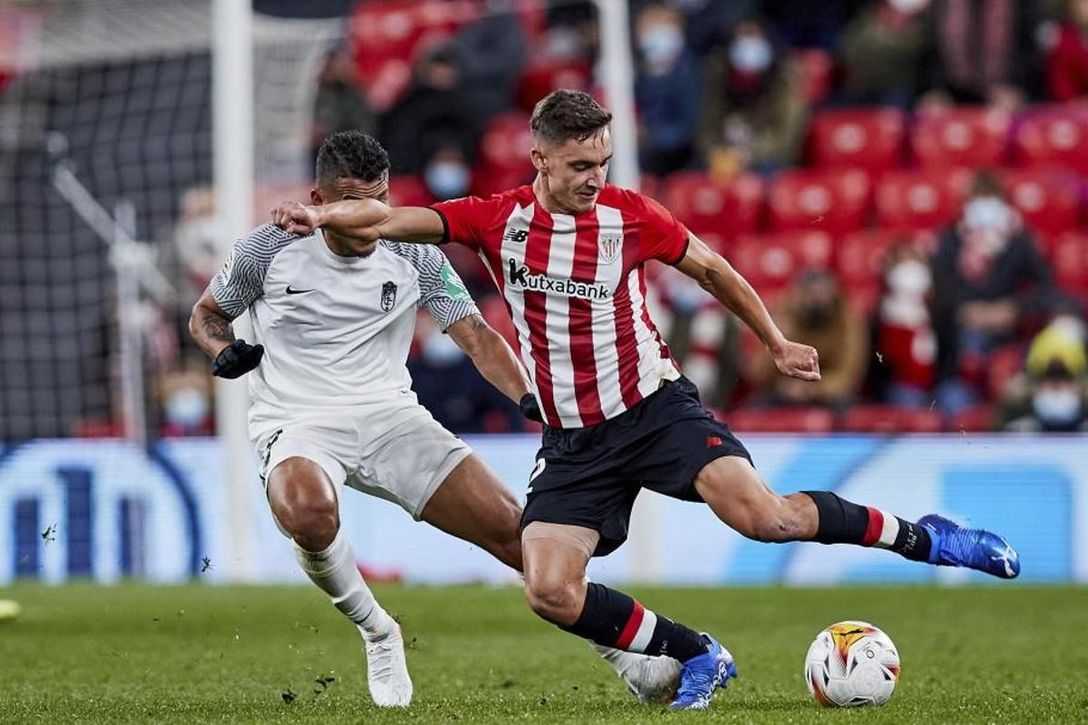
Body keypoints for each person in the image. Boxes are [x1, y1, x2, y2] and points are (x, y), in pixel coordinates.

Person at [270, 91, 1022, 711]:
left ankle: (925, 537)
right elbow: (389, 218)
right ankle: (695, 650)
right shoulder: (497, 219)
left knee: (765, 517)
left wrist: (774, 339)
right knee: (549, 590)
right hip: (573, 441)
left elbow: (713, 268)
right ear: (539, 159)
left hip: (655, 409)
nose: (593, 177)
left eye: (601, 162)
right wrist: (322, 218)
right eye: (577, 165)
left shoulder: (631, 216)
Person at [190, 131, 677, 708]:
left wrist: (530, 400)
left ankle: (626, 658)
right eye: (349, 201)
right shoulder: (266, 249)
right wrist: (223, 349)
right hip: (298, 419)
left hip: (391, 416)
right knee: (309, 512)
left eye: (376, 200)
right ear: (319, 200)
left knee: (515, 535)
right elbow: (207, 314)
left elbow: (474, 332)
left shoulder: (414, 252)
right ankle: (377, 630)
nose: (366, 216)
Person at [930, 171, 1056, 412]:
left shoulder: (1019, 240)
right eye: (979, 198)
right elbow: (939, 287)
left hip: (1008, 333)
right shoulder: (950, 240)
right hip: (959, 338)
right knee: (958, 384)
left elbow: (1044, 287)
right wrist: (965, 311)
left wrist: (1013, 310)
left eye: (990, 198)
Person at [753, 268, 869, 409]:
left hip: (829, 394)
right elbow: (758, 373)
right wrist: (778, 340)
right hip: (785, 390)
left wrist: (811, 390)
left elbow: (848, 375)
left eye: (823, 294)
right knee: (757, 407)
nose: (818, 300)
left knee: (845, 406)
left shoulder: (848, 321)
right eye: (812, 294)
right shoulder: (783, 315)